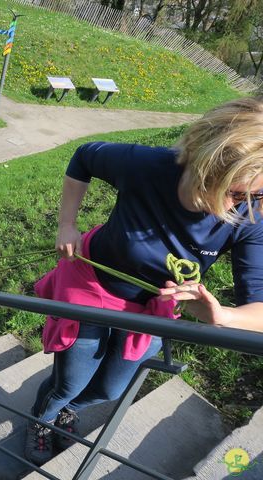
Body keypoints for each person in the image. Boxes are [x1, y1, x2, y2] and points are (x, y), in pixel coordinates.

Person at [25, 97, 263, 466]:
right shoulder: (148, 167)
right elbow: (84, 157)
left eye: (257, 194)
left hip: (152, 308)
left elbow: (260, 310)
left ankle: (65, 409)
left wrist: (221, 316)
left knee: (110, 387)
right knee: (70, 380)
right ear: (205, 165)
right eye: (236, 192)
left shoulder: (250, 214)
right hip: (92, 285)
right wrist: (66, 224)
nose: (243, 205)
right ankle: (43, 418)